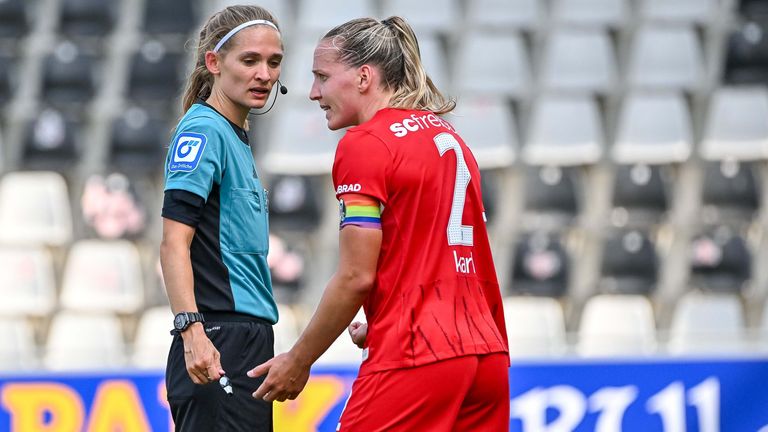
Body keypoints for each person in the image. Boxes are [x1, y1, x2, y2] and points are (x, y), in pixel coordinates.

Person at [248, 16, 510, 431]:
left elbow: (355, 276)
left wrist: (298, 361)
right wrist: (389, 314)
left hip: (418, 354)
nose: (314, 92)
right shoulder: (448, 138)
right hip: (486, 357)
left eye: (322, 77)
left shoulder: (365, 143)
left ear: (365, 76)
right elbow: (444, 255)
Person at [159, 5, 284, 431]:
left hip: (246, 339)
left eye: (273, 62)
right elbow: (174, 241)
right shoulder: (203, 131)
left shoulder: (233, 135)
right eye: (249, 60)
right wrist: (192, 332)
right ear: (214, 62)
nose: (264, 74)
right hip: (215, 339)